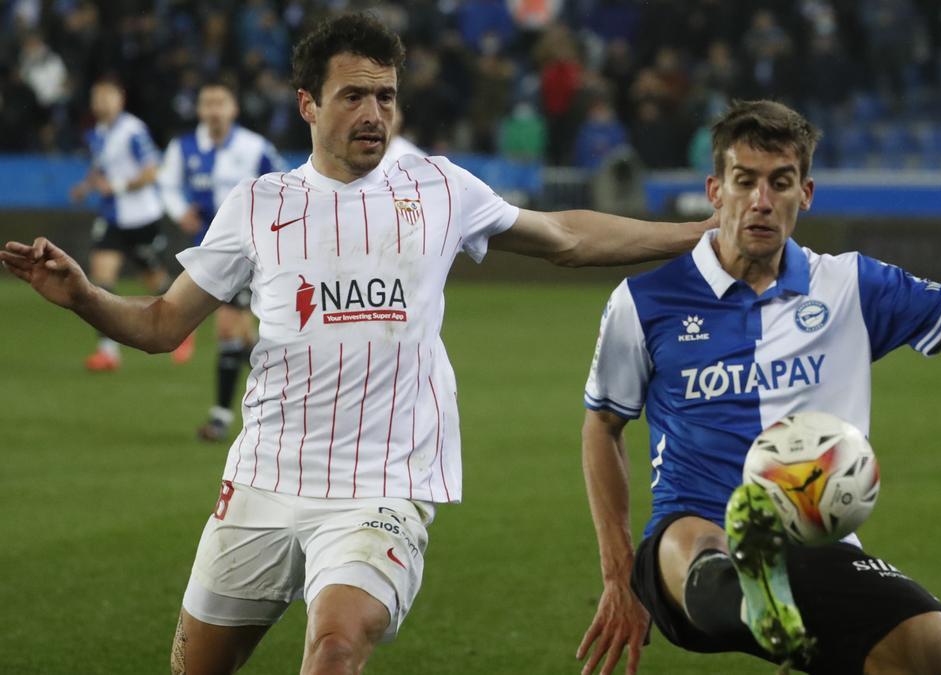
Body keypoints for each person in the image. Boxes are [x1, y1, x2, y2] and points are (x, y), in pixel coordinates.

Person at [1, 14, 712, 675]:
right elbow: (161, 325)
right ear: (308, 104)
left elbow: (565, 237)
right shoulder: (260, 205)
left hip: (381, 489)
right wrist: (86, 297)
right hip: (265, 480)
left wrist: (702, 235)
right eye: (354, 96)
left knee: (337, 645)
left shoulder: (437, 186)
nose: (374, 113)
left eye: (386, 96)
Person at [575, 100, 941, 675]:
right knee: (703, 549)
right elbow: (603, 427)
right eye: (744, 181)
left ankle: (785, 612)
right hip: (690, 545)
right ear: (714, 190)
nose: (760, 200)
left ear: (805, 193)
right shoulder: (645, 301)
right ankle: (755, 594)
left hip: (816, 547)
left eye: (779, 183)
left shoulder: (850, 286)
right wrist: (618, 574)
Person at [158, 78, 289, 442]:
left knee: (227, 331)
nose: (214, 110)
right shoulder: (183, 147)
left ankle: (219, 418)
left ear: (233, 109)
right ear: (200, 110)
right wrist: (179, 209)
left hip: (248, 252)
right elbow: (166, 183)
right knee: (246, 338)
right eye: (208, 103)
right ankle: (283, 373)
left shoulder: (254, 147)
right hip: (207, 254)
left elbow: (285, 183)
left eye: (221, 102)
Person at [69, 78, 183, 370]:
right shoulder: (96, 133)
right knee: (100, 279)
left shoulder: (132, 130)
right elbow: (101, 169)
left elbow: (151, 171)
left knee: (156, 281)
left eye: (107, 96)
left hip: (141, 216)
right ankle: (108, 352)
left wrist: (117, 186)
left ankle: (184, 326)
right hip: (112, 218)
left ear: (120, 99)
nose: (101, 102)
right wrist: (86, 186)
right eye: (96, 97)